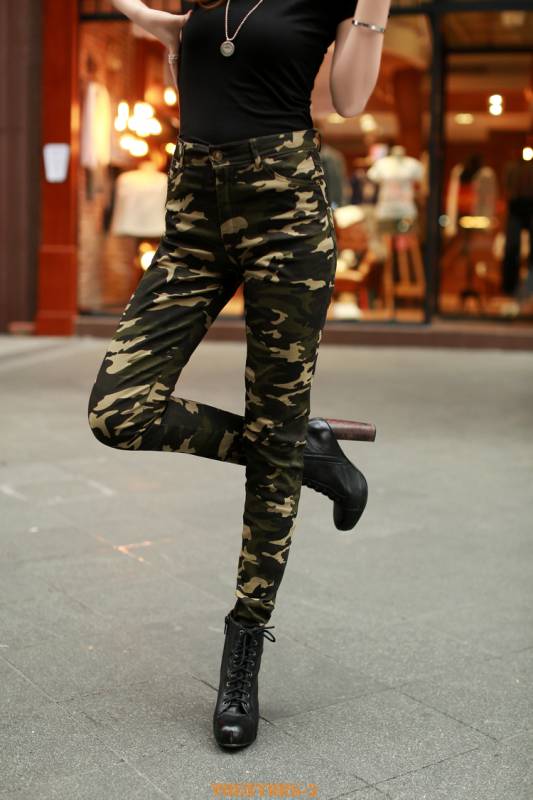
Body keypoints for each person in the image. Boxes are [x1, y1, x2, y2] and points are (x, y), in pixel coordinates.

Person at [88, 0, 389, 750]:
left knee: (272, 430)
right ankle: (300, 448)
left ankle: (245, 644)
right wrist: (155, 22)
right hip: (193, 218)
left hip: (286, 216)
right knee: (118, 411)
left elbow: (350, 99)